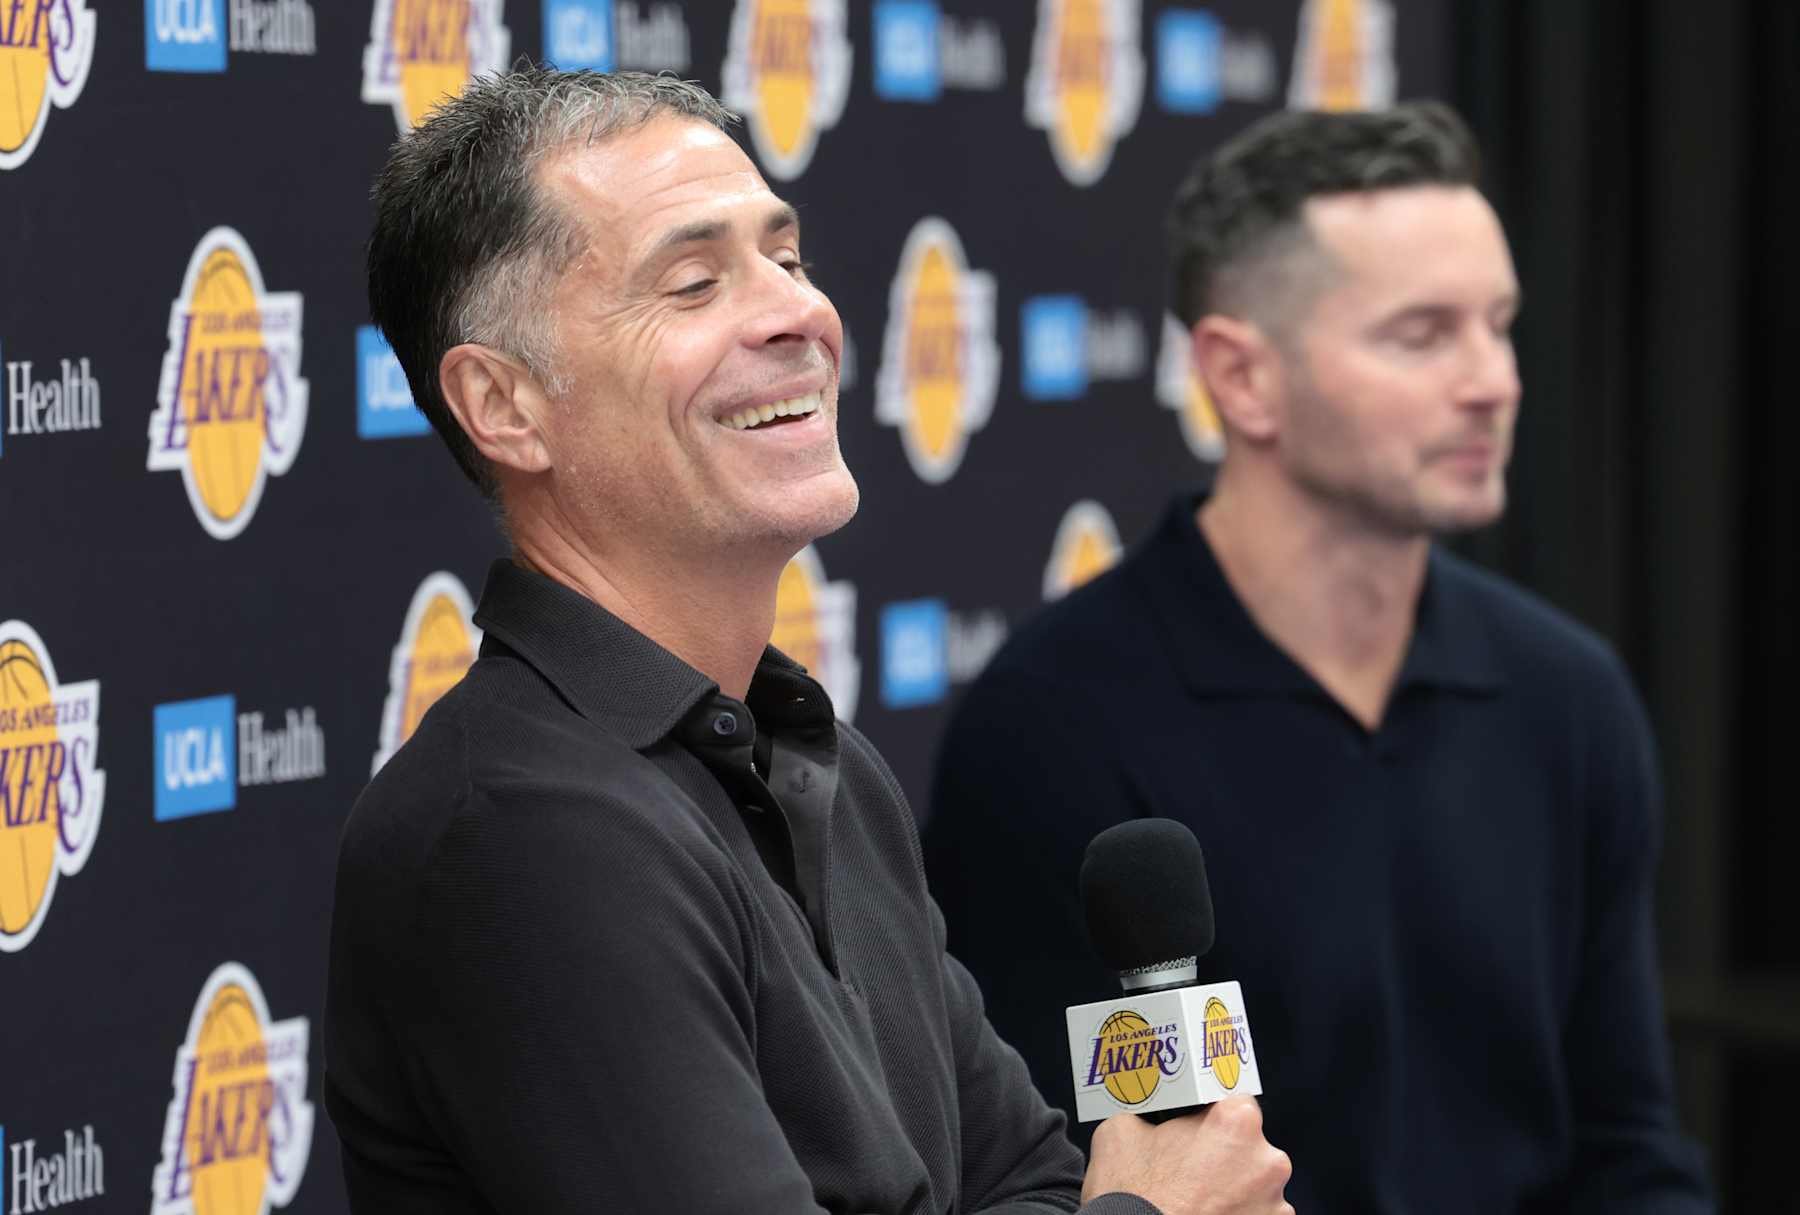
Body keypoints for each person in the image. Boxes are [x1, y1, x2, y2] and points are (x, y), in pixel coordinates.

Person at [323, 68, 1293, 1215]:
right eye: (692, 283)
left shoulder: (813, 756)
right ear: (505, 405)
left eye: (786, 260)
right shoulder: (524, 829)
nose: (797, 313)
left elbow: (1026, 1178)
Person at [924, 102, 1715, 1212]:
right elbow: (1085, 1177)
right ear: (1242, 379)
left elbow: (1627, 1143)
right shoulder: (1061, 725)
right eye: (1423, 334)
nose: (1495, 379)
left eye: (1500, 323)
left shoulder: (1566, 696)